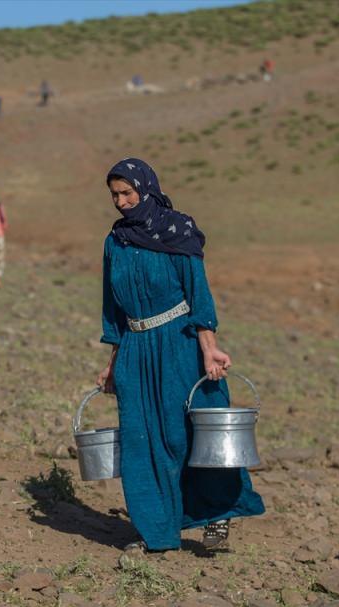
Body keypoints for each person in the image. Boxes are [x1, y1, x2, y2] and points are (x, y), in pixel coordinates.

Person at [97, 158, 264, 552]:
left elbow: (198, 295)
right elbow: (112, 308)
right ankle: (158, 532)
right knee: (143, 439)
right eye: (114, 196)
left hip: (180, 344)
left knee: (188, 435)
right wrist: (112, 364)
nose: (121, 202)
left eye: (127, 193)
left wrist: (209, 349)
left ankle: (218, 517)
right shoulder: (115, 243)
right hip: (137, 351)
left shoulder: (178, 231)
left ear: (146, 188)